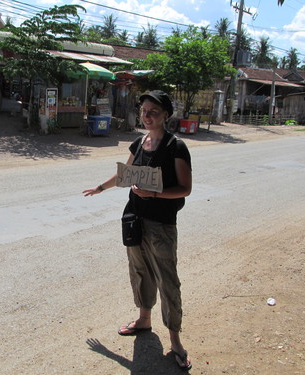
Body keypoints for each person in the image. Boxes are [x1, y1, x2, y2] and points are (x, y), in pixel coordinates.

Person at [82, 90, 192, 370]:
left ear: (166, 114)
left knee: (168, 281)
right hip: (134, 220)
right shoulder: (139, 143)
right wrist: (100, 188)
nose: (147, 115)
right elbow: (125, 175)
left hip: (161, 225)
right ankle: (144, 319)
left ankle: (175, 341)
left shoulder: (175, 146)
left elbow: (185, 188)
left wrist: (154, 194)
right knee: (139, 272)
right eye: (144, 110)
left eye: (153, 111)